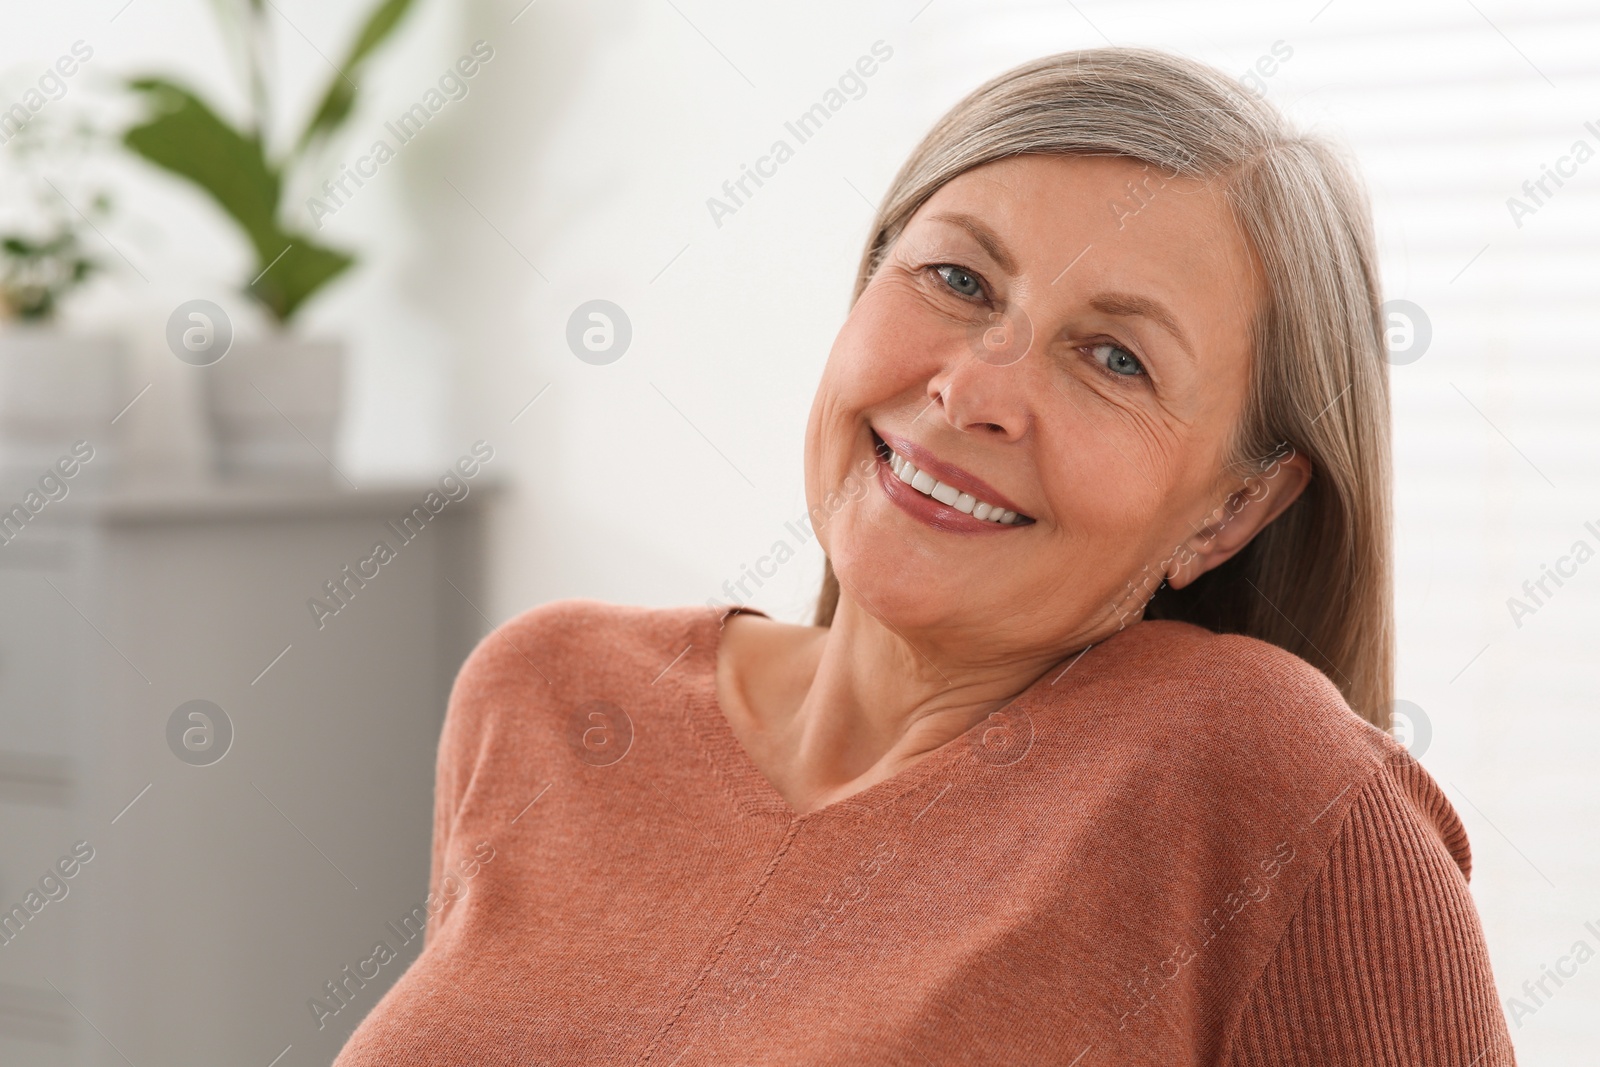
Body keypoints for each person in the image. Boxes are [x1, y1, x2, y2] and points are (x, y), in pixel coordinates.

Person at [334, 47, 1516, 1065]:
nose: (972, 388)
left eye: (1113, 358)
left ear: (1234, 511)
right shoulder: (548, 692)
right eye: (955, 278)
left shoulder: (1263, 781)